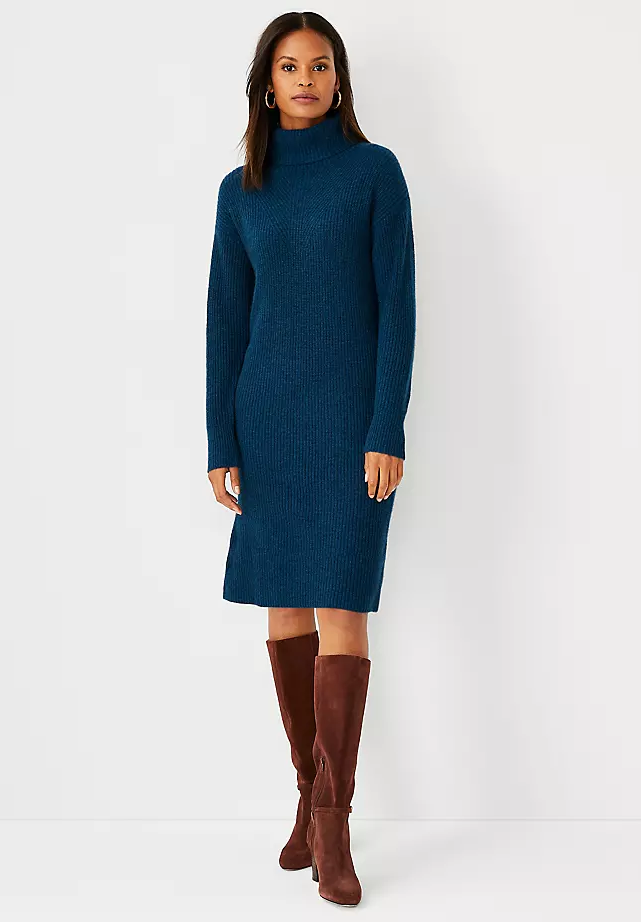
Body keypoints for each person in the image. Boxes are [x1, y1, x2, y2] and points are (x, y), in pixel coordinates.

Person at [205, 11, 416, 907]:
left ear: (339, 80)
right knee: (285, 606)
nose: (305, 79)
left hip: (349, 427)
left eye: (320, 65)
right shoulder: (240, 189)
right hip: (268, 424)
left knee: (344, 605)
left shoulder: (374, 173)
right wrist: (220, 439)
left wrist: (385, 427)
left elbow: (398, 308)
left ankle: (334, 820)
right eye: (290, 66)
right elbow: (224, 318)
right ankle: (307, 792)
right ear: (267, 83)